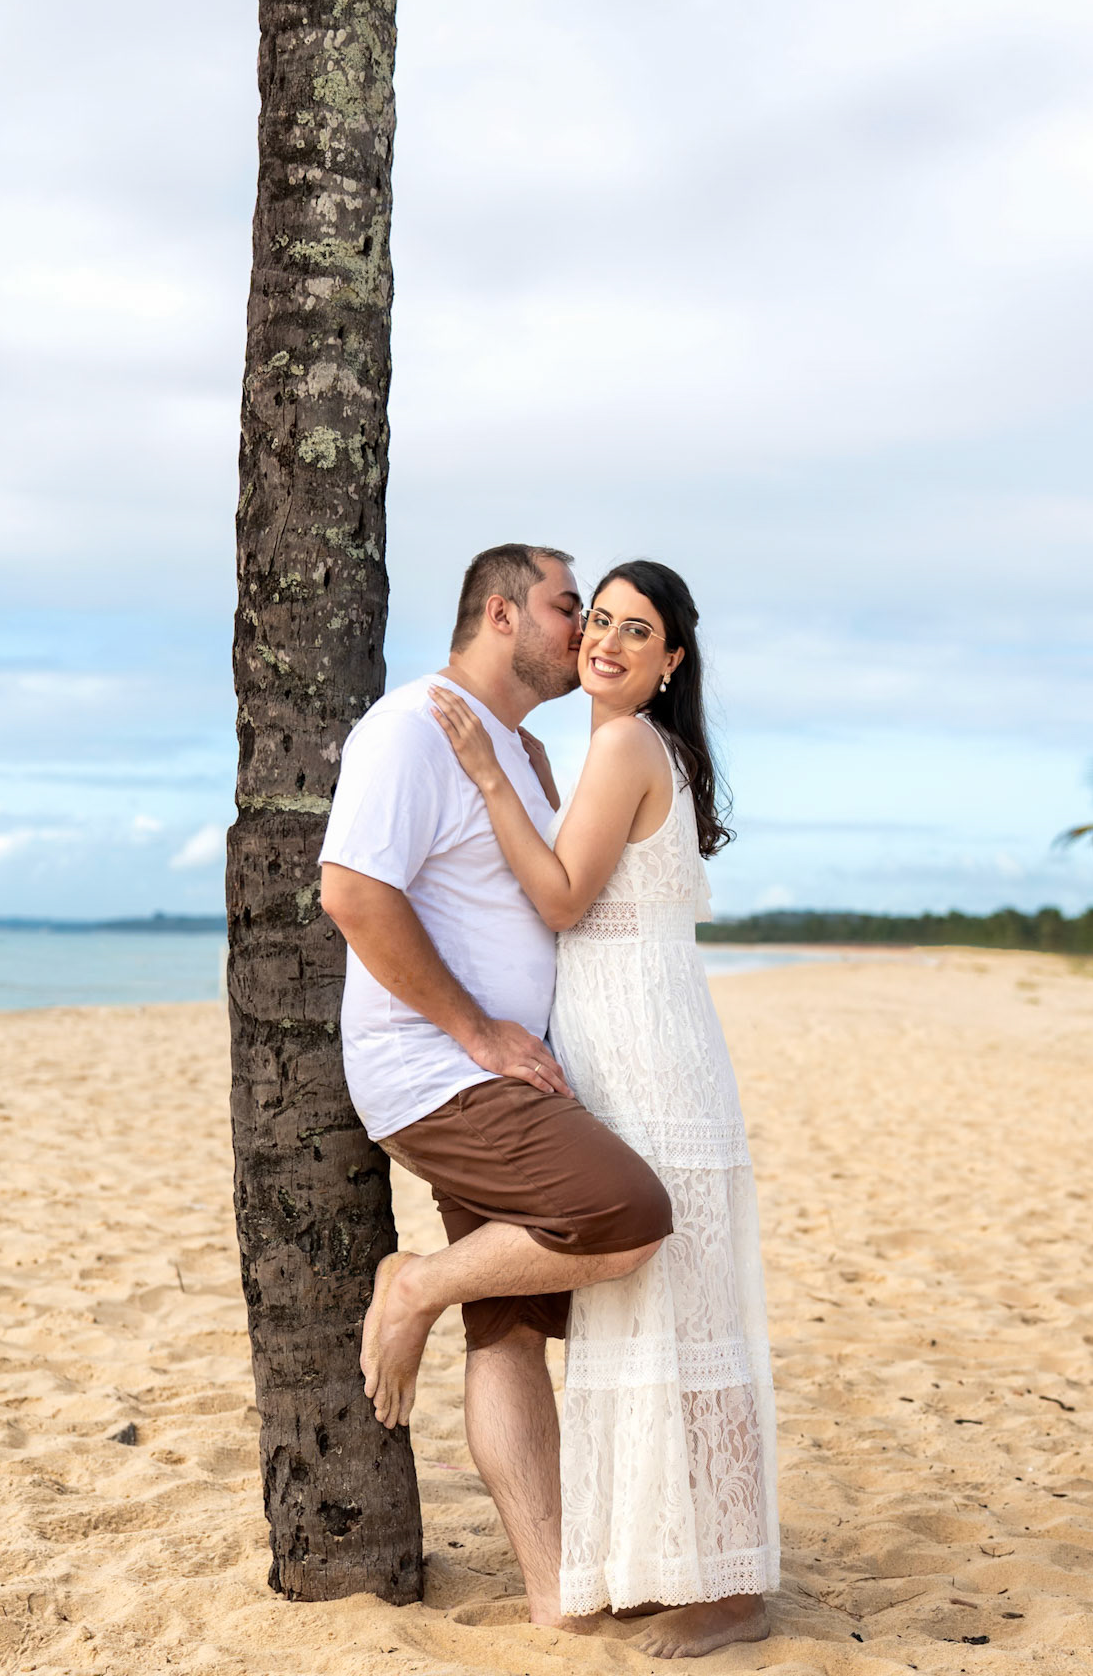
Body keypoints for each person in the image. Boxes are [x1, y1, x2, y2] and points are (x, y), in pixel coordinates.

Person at [318, 542, 674, 1633]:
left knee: (510, 1328)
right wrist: (474, 1029)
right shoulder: (410, 727)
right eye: (572, 606)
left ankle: (554, 1595)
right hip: (440, 1072)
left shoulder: (519, 750)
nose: (587, 629)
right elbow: (352, 894)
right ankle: (415, 1287)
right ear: (503, 613)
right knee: (627, 1215)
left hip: (501, 1073)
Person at [428, 559, 779, 1659]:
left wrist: (486, 775)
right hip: (641, 1038)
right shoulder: (630, 748)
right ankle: (685, 1564)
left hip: (646, 1051)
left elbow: (562, 896)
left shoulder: (625, 745)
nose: (609, 642)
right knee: (665, 1314)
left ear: (671, 660)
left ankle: (732, 1591)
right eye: (601, 620)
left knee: (677, 1312)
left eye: (638, 631)